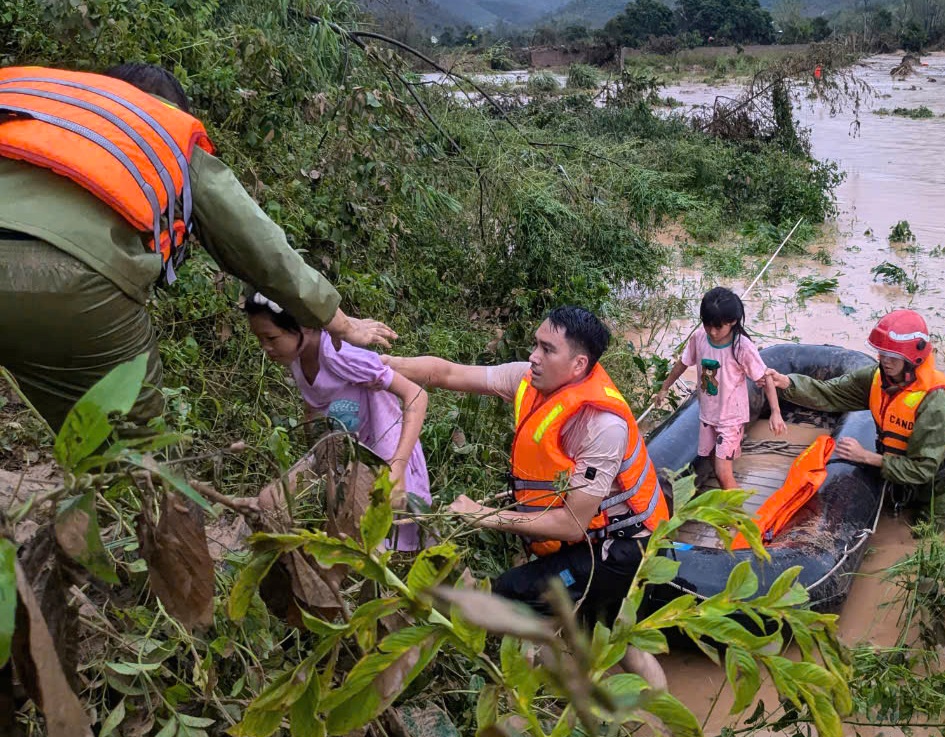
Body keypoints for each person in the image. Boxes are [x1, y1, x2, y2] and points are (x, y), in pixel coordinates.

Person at [0, 63, 395, 433]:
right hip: (73, 281)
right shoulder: (163, 130)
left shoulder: (27, 92)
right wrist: (341, 322)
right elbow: (261, 248)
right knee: (127, 444)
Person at [382, 306, 669, 687]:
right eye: (536, 344)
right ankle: (656, 721)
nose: (533, 356)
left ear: (578, 363)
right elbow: (447, 373)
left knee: (511, 594)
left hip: (622, 548)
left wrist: (484, 515)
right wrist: (381, 364)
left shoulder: (602, 426)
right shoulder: (527, 380)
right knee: (612, 629)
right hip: (591, 539)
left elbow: (570, 524)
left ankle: (537, 698)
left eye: (547, 349)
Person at [244, 293, 430, 550]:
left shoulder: (340, 356)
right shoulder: (296, 357)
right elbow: (313, 407)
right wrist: (318, 456)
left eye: (271, 337)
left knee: (367, 546)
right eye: (259, 339)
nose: (266, 347)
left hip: (380, 458)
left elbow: (417, 395)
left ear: (304, 327)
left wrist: (396, 470)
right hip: (339, 453)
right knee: (269, 502)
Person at [760, 309, 945, 520]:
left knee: (919, 539)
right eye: (882, 353)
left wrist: (865, 456)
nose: (885, 361)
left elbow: (922, 470)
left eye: (893, 357)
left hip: (935, 490)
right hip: (895, 475)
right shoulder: (876, 378)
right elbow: (830, 393)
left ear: (912, 359)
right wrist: (787, 383)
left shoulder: (936, 401)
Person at [654, 287, 786, 489]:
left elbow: (766, 377)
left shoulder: (741, 347)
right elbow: (683, 363)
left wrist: (776, 412)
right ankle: (733, 510)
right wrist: (664, 387)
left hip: (730, 419)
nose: (713, 332)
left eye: (718, 327)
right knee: (716, 466)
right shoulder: (699, 338)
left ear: (732, 322)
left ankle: (739, 519)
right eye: (708, 325)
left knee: (724, 473)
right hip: (707, 414)